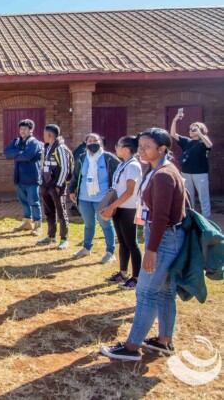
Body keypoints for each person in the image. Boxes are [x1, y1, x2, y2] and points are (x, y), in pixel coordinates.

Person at [100, 128, 187, 361]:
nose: (141, 150)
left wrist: (151, 249)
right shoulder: (162, 170)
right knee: (165, 292)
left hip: (164, 238)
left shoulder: (163, 175)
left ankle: (131, 347)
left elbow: (160, 216)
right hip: (169, 237)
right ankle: (164, 341)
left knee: (146, 293)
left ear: (162, 149)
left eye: (147, 146)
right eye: (140, 146)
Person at [70, 133, 121, 262]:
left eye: (95, 140)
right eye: (90, 141)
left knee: (105, 224)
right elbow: (76, 176)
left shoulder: (109, 158)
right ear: (85, 144)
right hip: (84, 197)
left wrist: (115, 191)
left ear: (101, 142)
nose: (92, 142)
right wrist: (72, 190)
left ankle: (110, 252)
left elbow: (120, 171)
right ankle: (86, 248)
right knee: (88, 224)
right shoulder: (82, 158)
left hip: (102, 198)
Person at [100, 136, 143, 290]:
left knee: (132, 243)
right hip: (119, 207)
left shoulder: (133, 166)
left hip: (128, 209)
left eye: (118, 145)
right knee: (123, 242)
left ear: (126, 149)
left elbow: (130, 191)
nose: (115, 147)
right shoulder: (123, 164)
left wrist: (112, 206)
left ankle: (137, 278)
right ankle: (123, 273)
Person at [4, 119, 43, 235]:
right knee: (23, 201)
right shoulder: (16, 141)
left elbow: (26, 156)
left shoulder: (34, 143)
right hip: (19, 177)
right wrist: (19, 152)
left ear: (31, 130)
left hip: (32, 177)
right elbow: (7, 153)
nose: (22, 131)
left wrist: (17, 154)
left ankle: (37, 225)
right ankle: (27, 222)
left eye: (25, 129)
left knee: (34, 202)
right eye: (21, 129)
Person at [171, 111, 213, 218]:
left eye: (194, 129)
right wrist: (175, 120)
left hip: (200, 173)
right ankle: (191, 218)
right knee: (188, 198)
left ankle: (206, 221)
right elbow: (173, 134)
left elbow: (209, 144)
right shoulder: (186, 141)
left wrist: (200, 134)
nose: (191, 131)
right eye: (190, 129)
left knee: (203, 198)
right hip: (186, 172)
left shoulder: (203, 142)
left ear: (200, 130)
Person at [37, 125, 72, 249]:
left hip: (56, 186)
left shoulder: (61, 148)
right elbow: (43, 166)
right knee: (49, 211)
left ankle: (64, 239)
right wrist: (42, 182)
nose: (43, 135)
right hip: (46, 185)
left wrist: (58, 185)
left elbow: (65, 168)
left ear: (50, 135)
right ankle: (51, 236)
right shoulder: (46, 148)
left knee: (61, 212)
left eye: (44, 133)